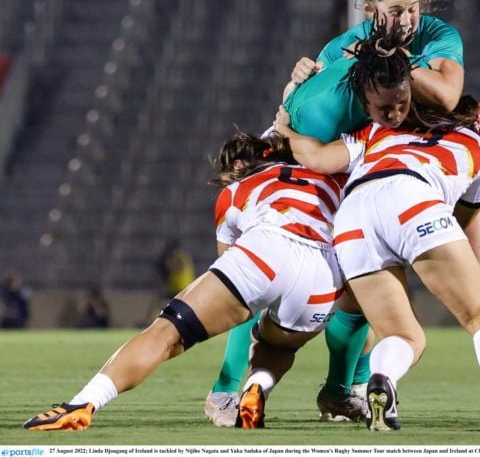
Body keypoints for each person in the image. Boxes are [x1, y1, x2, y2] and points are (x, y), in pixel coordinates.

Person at [206, 0, 480, 424]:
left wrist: (390, 60)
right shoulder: (342, 47)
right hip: (340, 166)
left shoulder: (436, 36)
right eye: (396, 12)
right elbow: (300, 103)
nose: (408, 20)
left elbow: (449, 94)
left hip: (429, 162)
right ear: (371, 10)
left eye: (413, 8)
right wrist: (298, 79)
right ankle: (246, 388)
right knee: (311, 280)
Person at [273, 24, 480, 432]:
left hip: (352, 218)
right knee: (479, 313)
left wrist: (285, 129)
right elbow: (471, 219)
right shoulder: (473, 146)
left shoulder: (375, 132)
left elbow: (317, 158)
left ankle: (382, 379)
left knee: (404, 336)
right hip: (413, 198)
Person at [22, 132, 345, 431]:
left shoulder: (235, 190)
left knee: (166, 333)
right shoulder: (329, 177)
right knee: (277, 346)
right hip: (323, 274)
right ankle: (257, 385)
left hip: (267, 247)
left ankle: (82, 403)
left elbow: (228, 260)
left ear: (239, 165)